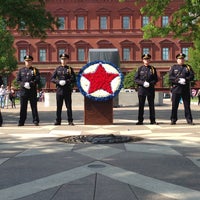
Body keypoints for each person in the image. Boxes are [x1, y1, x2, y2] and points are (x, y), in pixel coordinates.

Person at [169, 53, 195, 125]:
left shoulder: (188, 67)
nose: (181, 60)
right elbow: (170, 77)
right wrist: (178, 80)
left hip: (185, 89)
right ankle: (173, 119)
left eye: (182, 59)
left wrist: (185, 80)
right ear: (177, 60)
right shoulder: (173, 67)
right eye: (180, 59)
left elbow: (192, 76)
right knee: (174, 105)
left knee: (187, 105)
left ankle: (189, 120)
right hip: (176, 89)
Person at [51, 53, 76, 126]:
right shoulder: (57, 69)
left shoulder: (70, 69)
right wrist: (58, 82)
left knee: (68, 106)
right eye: (62, 59)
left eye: (65, 59)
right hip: (59, 90)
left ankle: (70, 120)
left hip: (67, 90)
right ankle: (58, 120)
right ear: (60, 60)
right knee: (59, 106)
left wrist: (66, 81)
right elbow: (52, 78)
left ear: (67, 60)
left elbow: (73, 78)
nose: (63, 61)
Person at [134, 54, 158, 125]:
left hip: (150, 89)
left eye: (148, 59)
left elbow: (155, 79)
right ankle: (140, 120)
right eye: (145, 59)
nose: (146, 61)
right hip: (142, 89)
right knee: (141, 105)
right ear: (143, 60)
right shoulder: (139, 69)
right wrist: (142, 83)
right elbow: (136, 79)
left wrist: (150, 83)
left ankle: (152, 120)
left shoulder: (153, 69)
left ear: (150, 60)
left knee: (151, 105)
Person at [17, 55, 40, 126]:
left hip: (32, 91)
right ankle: (21, 121)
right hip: (23, 91)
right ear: (24, 61)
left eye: (29, 61)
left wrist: (30, 83)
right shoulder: (21, 70)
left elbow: (37, 79)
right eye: (26, 61)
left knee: (34, 106)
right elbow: (18, 80)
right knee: (23, 107)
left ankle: (35, 120)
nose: (28, 62)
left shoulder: (35, 70)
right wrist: (23, 84)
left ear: (31, 61)